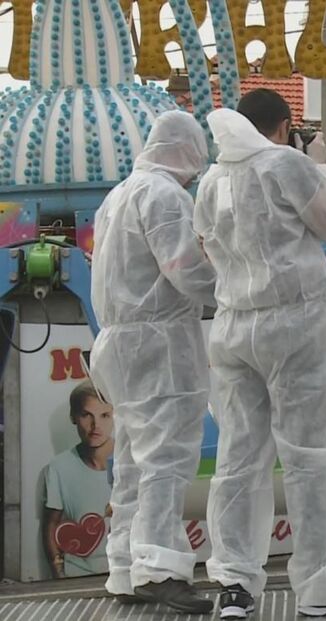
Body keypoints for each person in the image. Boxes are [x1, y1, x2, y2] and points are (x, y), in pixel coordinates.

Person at [194, 89, 326, 619]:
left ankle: (234, 585)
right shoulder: (286, 164)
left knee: (239, 458)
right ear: (283, 126)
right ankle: (324, 587)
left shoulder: (211, 180)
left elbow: (205, 246)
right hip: (293, 324)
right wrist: (319, 165)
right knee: (310, 456)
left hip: (233, 325)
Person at [89, 110, 216, 613]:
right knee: (167, 456)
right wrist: (237, 290)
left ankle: (124, 567)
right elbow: (186, 269)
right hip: (158, 343)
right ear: (186, 150)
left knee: (133, 460)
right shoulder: (164, 196)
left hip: (118, 343)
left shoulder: (118, 195)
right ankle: (160, 568)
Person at [43, 380, 113, 579]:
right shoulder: (59, 467)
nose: (95, 426)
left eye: (104, 415)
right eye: (86, 415)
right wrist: (59, 573)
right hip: (78, 575)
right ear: (73, 417)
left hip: (127, 572)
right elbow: (51, 523)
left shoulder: (132, 459)